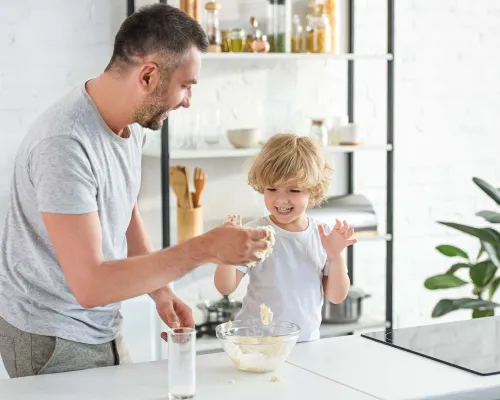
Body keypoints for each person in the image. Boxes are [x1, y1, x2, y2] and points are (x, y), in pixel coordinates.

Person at [0, 4, 270, 378]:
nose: (188, 100)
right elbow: (91, 286)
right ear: (148, 76)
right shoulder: (64, 145)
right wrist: (206, 248)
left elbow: (125, 210)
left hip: (101, 323)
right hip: (50, 333)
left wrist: (161, 289)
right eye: (185, 86)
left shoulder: (132, 125)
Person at [214, 134, 357, 342]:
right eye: (272, 189)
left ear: (314, 190)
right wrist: (226, 251)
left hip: (305, 343)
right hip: (256, 343)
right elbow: (225, 287)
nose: (281, 199)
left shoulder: (323, 235)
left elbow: (336, 296)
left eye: (294, 190)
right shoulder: (254, 234)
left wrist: (335, 257)